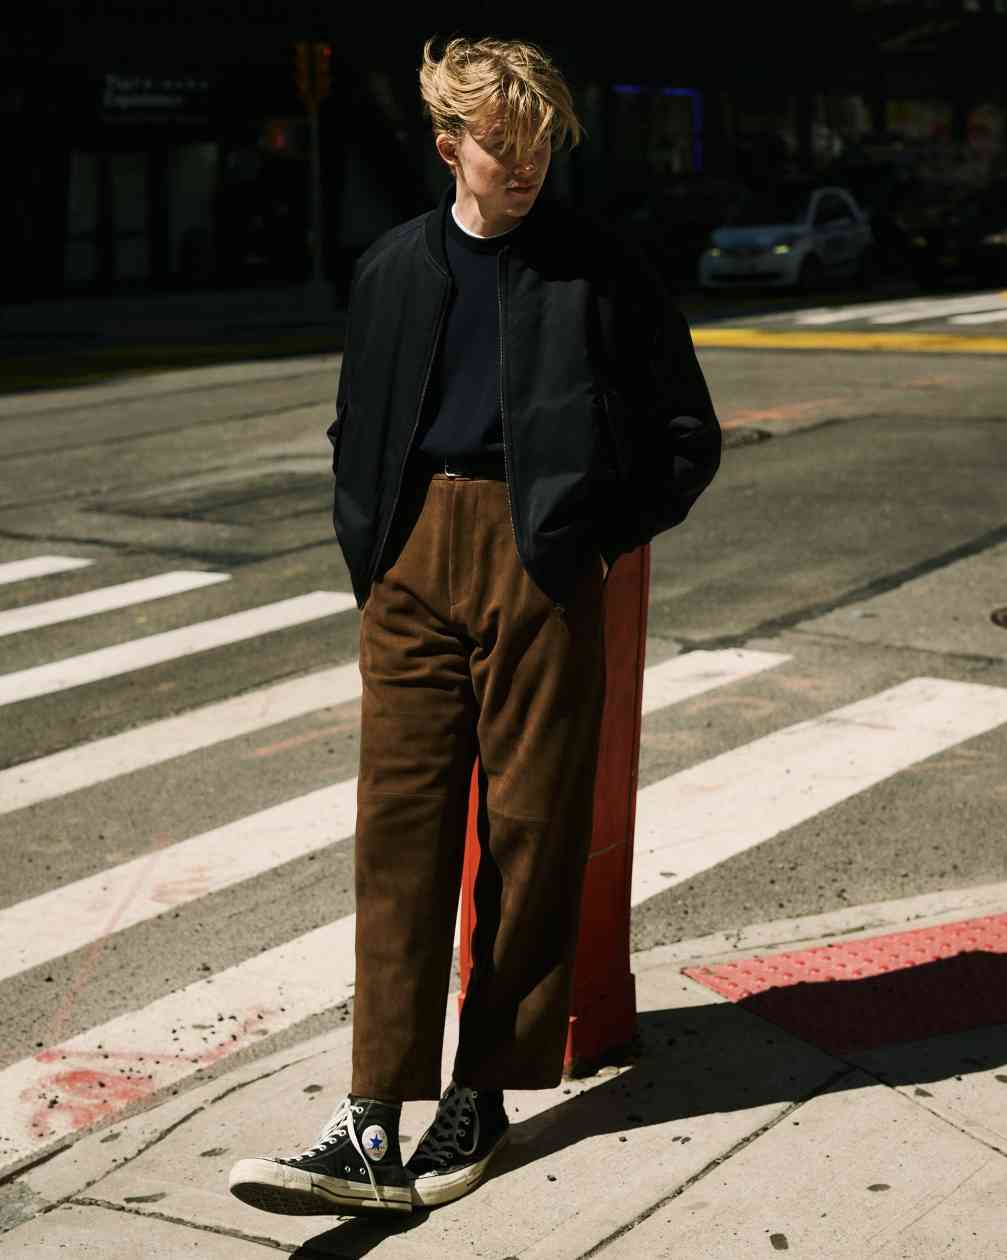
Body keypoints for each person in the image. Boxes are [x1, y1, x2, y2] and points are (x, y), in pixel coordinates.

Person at [228, 34, 721, 1218]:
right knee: (397, 836)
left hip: (537, 563)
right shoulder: (394, 268)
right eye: (503, 143)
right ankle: (367, 1117)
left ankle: (481, 1091)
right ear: (450, 145)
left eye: (541, 142)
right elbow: (356, 426)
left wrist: (589, 542)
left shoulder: (599, 270)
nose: (526, 163)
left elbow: (684, 435)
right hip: (411, 566)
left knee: (526, 834)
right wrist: (374, 552)